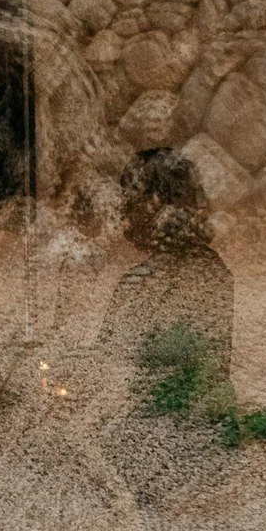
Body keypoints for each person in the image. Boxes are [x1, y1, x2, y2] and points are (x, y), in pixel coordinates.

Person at [95, 147, 232, 388]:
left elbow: (108, 366)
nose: (124, 210)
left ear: (155, 202)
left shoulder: (141, 283)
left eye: (131, 197)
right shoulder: (214, 270)